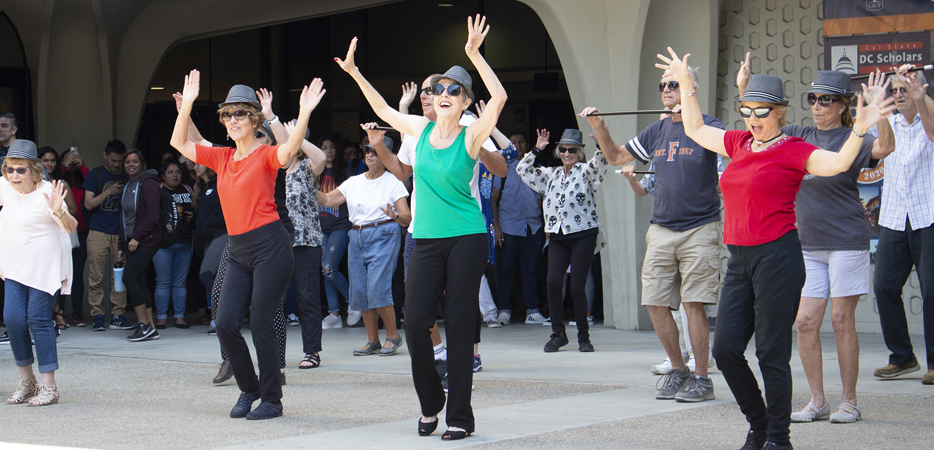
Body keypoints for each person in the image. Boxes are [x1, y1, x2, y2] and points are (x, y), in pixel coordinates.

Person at [658, 47, 895, 450]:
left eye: (762, 111)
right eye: (747, 110)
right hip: (740, 259)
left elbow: (837, 165)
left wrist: (860, 130)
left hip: (779, 257)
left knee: (771, 353)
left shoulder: (794, 149)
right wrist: (686, 87)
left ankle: (777, 439)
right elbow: (696, 130)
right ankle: (759, 422)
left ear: (780, 113)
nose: (753, 118)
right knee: (727, 349)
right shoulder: (738, 143)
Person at [336, 15, 506, 440]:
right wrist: (355, 72)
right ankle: (431, 402)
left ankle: (460, 418)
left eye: (453, 90)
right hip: (427, 239)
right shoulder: (420, 128)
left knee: (462, 323)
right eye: (437, 89)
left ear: (465, 101)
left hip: (467, 236)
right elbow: (381, 110)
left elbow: (499, 96)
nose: (443, 94)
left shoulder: (471, 134)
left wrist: (473, 54)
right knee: (415, 325)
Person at [741, 66, 895, 422]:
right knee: (806, 322)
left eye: (826, 99)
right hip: (806, 244)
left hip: (846, 241)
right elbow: (761, 123)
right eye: (812, 98)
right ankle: (817, 400)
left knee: (842, 320)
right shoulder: (797, 134)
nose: (817, 105)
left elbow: (886, 147)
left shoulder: (853, 137)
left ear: (842, 106)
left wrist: (876, 112)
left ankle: (850, 401)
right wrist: (745, 88)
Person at [171, 71, 325, 420]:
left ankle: (271, 399)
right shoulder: (223, 157)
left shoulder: (265, 154)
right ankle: (249, 389)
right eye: (226, 114)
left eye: (239, 113)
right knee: (224, 322)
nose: (232, 120)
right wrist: (188, 105)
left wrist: (304, 113)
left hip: (271, 245)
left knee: (260, 321)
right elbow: (180, 143)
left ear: (254, 119)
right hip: (239, 249)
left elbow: (288, 150)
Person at [582, 65, 724, 402]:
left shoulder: (708, 126)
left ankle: (703, 378)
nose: (666, 89)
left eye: (674, 84)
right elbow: (616, 156)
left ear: (690, 88)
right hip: (661, 227)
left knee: (693, 305)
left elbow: (730, 160)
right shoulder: (657, 130)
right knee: (655, 302)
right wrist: (600, 127)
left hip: (700, 226)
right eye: (663, 84)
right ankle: (679, 369)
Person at [518, 128, 614, 354]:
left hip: (583, 234)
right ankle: (558, 334)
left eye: (572, 150)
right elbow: (522, 169)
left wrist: (600, 144)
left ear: (579, 152)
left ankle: (583, 336)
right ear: (558, 151)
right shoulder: (551, 174)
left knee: (577, 286)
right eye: (563, 149)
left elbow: (601, 163)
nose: (567, 153)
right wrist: (536, 149)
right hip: (558, 235)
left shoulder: (585, 171)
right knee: (553, 283)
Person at [868, 64, 934, 387]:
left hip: (928, 215)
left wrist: (922, 99)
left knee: (932, 290)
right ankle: (902, 356)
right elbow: (881, 147)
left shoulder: (928, 119)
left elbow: (933, 133)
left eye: (904, 89)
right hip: (894, 217)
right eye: (895, 91)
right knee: (883, 286)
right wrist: (878, 107)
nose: (899, 95)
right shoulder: (889, 121)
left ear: (919, 91)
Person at [319, 128, 410, 357]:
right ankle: (373, 341)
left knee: (377, 287)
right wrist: (308, 188)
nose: (370, 155)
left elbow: (407, 217)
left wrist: (394, 216)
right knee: (359, 290)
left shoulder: (393, 182)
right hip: (356, 235)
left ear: (386, 155)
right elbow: (329, 199)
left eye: (376, 151)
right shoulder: (354, 182)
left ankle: (393, 335)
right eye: (367, 151)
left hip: (384, 232)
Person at [1, 139, 77, 406]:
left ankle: (49, 386)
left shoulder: (48, 191)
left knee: (38, 320)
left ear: (34, 169)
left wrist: (58, 211)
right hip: (14, 267)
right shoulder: (5, 188)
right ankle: (27, 381)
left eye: (20, 169)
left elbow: (70, 227)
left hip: (44, 268)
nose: (14, 175)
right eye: (9, 169)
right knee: (12, 320)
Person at [279, 116, 326, 369]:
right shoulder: (274, 168)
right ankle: (274, 354)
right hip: (276, 243)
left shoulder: (307, 166)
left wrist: (300, 136)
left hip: (304, 243)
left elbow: (321, 159)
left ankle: (312, 351)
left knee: (307, 297)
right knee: (273, 299)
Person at [491, 130, 546, 326]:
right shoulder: (502, 169)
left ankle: (532, 310)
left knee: (530, 269)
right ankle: (504, 310)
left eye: (521, 141)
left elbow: (545, 199)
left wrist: (546, 228)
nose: (518, 146)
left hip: (533, 226)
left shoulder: (538, 169)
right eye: (513, 142)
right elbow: (493, 199)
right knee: (505, 269)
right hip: (508, 226)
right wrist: (496, 228)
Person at [84, 140, 132, 332]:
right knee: (95, 276)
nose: (116, 164)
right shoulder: (95, 175)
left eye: (120, 161)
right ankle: (97, 314)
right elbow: (88, 204)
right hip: (97, 232)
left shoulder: (126, 176)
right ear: (105, 155)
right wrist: (109, 192)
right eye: (113, 160)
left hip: (119, 234)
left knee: (118, 277)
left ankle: (118, 314)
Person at [118, 149, 162, 342]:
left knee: (129, 277)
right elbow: (124, 218)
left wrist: (136, 237)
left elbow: (154, 215)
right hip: (131, 241)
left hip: (146, 239)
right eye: (127, 162)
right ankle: (150, 326)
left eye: (135, 161)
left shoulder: (148, 183)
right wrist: (122, 244)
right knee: (140, 281)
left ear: (141, 163)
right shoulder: (129, 185)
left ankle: (144, 325)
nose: (131, 164)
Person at [38, 147, 79, 332]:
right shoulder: (32, 185)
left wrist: (56, 210)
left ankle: (59, 313)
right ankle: (53, 315)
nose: (49, 164)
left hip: (58, 234)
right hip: (38, 239)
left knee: (58, 276)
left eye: (52, 160)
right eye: (45, 160)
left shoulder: (60, 183)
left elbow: (73, 210)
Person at [318, 135, 356, 329]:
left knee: (329, 268)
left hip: (340, 226)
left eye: (332, 147)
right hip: (320, 228)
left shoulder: (347, 172)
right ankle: (333, 313)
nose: (329, 151)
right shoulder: (314, 173)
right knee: (325, 270)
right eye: (324, 147)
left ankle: (353, 302)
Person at [153, 158, 195, 329]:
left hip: (185, 242)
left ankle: (180, 317)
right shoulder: (158, 191)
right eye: (170, 172)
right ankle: (161, 318)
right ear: (163, 176)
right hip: (163, 244)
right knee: (163, 282)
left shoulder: (187, 189)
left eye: (177, 172)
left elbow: (196, 207)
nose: (175, 175)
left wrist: (193, 215)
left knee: (180, 283)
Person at [60, 146, 90, 327]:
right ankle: (60, 313)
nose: (71, 161)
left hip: (82, 231)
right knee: (61, 275)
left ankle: (77, 314)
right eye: (67, 158)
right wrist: (65, 165)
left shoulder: (82, 178)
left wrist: (82, 166)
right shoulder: (59, 179)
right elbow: (55, 175)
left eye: (74, 158)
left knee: (77, 275)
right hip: (62, 233)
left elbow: (93, 184)